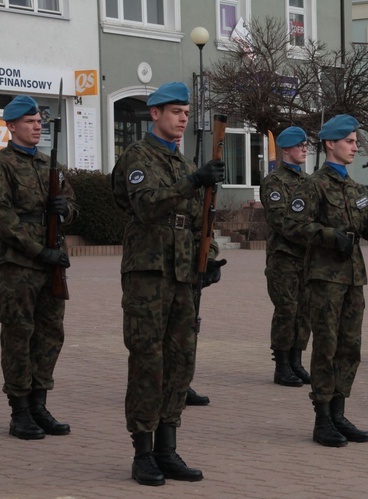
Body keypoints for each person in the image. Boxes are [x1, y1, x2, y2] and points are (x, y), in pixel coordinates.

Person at [111, 81, 225, 486]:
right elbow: (146, 205)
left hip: (181, 274)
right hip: (148, 272)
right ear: (154, 113)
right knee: (148, 360)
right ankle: (142, 452)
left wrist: (208, 258)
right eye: (175, 111)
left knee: (180, 361)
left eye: (185, 113)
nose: (182, 119)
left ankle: (167, 448)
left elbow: (198, 218)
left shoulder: (181, 163)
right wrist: (194, 181)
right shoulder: (137, 156)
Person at [284, 114, 368, 447]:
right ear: (330, 144)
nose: (354, 147)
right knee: (327, 347)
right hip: (324, 279)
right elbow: (293, 226)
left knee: (350, 347)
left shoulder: (354, 189)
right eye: (349, 142)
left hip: (353, 279)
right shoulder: (312, 185)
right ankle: (322, 418)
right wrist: (327, 236)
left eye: (355, 142)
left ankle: (339, 412)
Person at [0, 95, 77, 440]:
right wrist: (37, 251)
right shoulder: (2, 165)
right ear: (11, 125)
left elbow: (72, 205)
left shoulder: (49, 164)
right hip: (18, 263)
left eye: (38, 121)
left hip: (51, 261)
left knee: (50, 333)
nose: (36, 126)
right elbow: (4, 218)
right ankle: (19, 411)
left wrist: (64, 209)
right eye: (29, 121)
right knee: (19, 334)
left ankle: (39, 403)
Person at [259, 125, 312, 386]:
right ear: (286, 149)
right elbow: (280, 220)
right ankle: (281, 365)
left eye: (305, 146)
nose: (304, 149)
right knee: (287, 309)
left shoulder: (308, 181)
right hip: (283, 258)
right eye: (299, 146)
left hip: (306, 258)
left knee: (304, 311)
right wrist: (312, 231)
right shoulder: (274, 182)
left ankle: (296, 361)